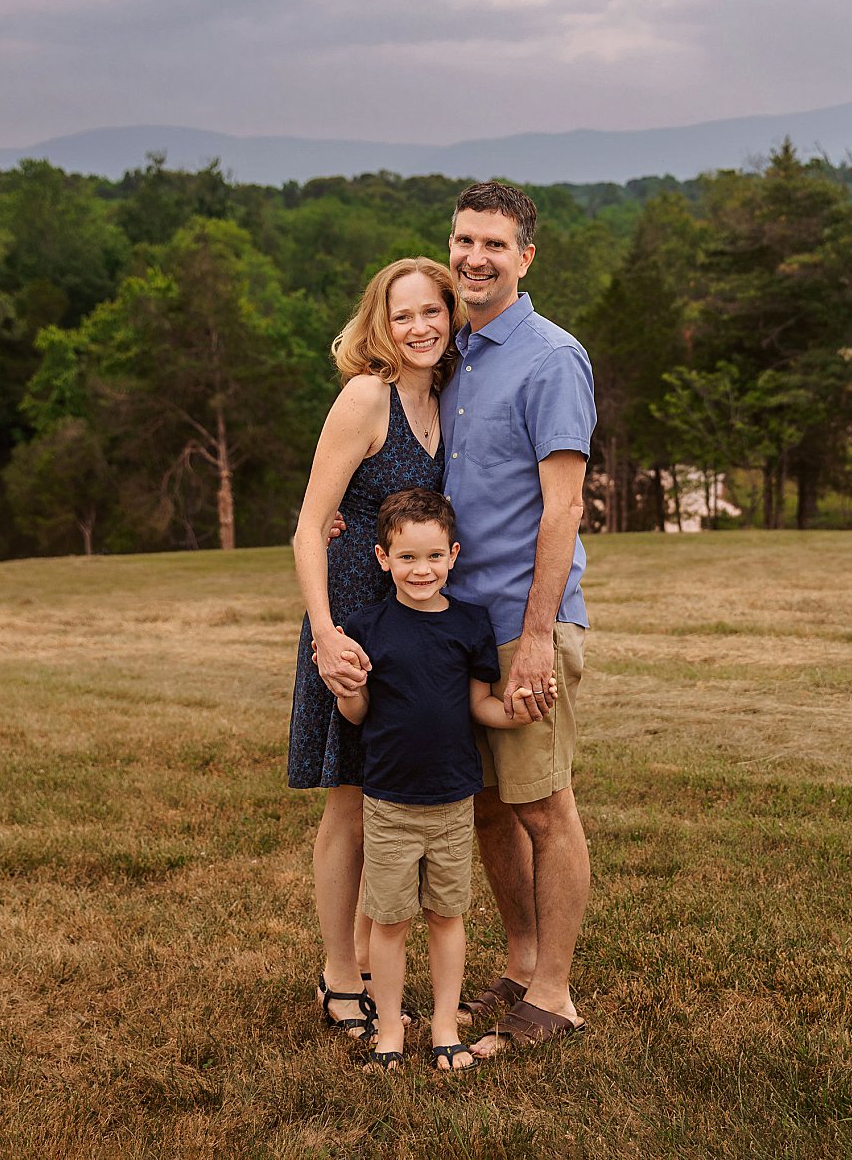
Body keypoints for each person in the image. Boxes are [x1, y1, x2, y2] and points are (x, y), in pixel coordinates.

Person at [323, 180, 597, 1055]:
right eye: (462, 239)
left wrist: (538, 640)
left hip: (524, 619)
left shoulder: (552, 357)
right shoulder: (460, 350)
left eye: (494, 243)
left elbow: (563, 508)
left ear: (526, 255)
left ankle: (551, 993)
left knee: (545, 807)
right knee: (480, 805)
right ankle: (518, 963)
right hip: (453, 621)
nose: (474, 257)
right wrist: (348, 516)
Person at [287, 256, 459, 1042]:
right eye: (403, 315)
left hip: (409, 620)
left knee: (383, 796)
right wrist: (326, 635)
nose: (419, 327)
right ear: (379, 324)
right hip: (353, 622)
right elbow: (307, 525)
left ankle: (362, 958)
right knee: (349, 802)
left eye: (434, 311)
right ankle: (336, 975)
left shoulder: (444, 396)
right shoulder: (368, 395)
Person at [334, 487, 533, 1073]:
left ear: (453, 555)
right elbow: (359, 714)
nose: (420, 570)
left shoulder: (471, 624)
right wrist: (350, 689)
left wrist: (514, 711)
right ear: (382, 559)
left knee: (447, 917)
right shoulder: (366, 626)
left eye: (432, 557)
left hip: (452, 802)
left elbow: (479, 707)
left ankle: (445, 1024)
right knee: (390, 922)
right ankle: (390, 1030)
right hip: (390, 801)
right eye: (406, 558)